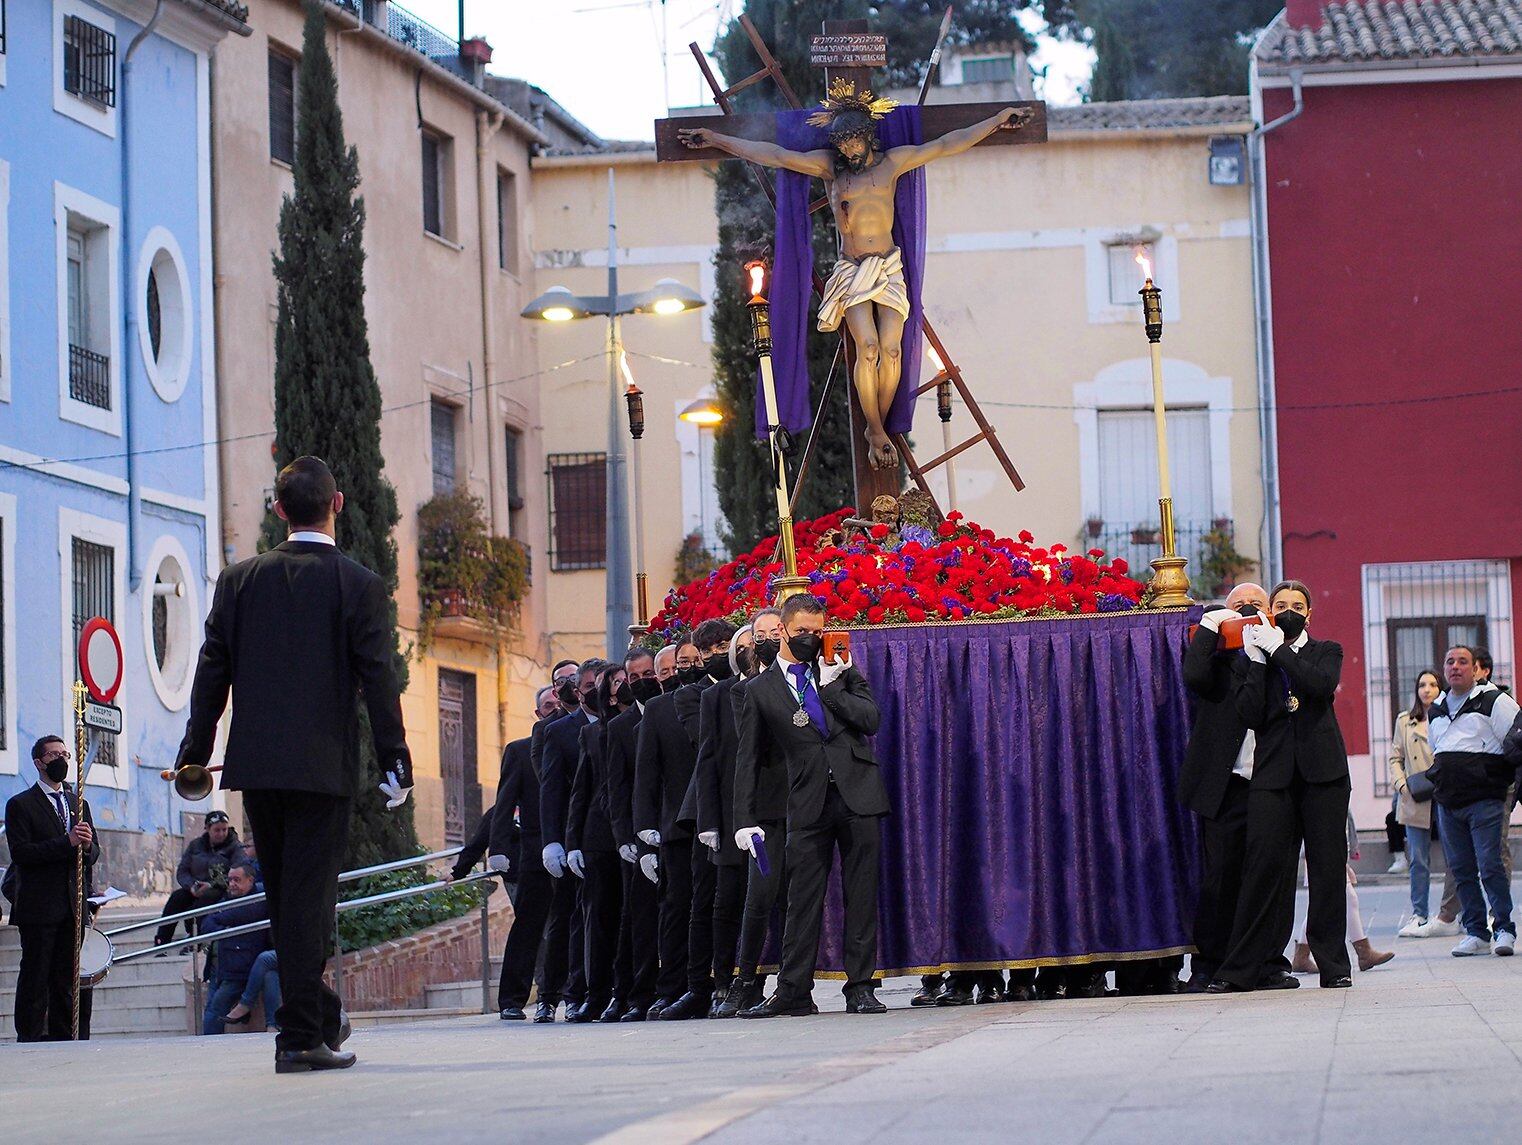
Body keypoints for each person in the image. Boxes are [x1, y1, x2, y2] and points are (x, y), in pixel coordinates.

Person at [174, 456, 414, 1073]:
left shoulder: (238, 580)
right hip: (322, 768)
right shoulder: (359, 584)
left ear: (279, 511)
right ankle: (301, 1037)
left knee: (286, 898)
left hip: (256, 768)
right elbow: (378, 677)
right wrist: (395, 756)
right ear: (337, 505)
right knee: (307, 900)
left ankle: (317, 1018)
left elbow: (211, 670)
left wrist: (195, 753)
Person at [734, 594, 889, 1017]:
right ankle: (794, 991)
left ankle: (860, 987)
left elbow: (870, 720)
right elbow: (748, 759)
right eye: (802, 631)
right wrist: (744, 820)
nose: (811, 639)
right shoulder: (759, 690)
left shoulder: (841, 667)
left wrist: (829, 685)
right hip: (806, 800)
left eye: (818, 631)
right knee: (801, 900)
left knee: (860, 896)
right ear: (781, 630)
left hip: (858, 793)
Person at [1208, 579, 1353, 992]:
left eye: (1297, 605)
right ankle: (1242, 969)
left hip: (1323, 774)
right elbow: (1250, 713)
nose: (1289, 610)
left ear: (1309, 613)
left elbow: (1317, 686)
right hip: (1273, 775)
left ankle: (1334, 965)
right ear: (1270, 610)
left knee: (1326, 870)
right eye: (1281, 603)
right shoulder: (1254, 656)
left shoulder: (1327, 651)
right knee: (1264, 869)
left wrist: (1277, 650)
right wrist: (1256, 660)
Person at [1178, 582, 1289, 992]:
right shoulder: (1218, 663)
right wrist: (1210, 624)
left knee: (1269, 879)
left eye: (1255, 604)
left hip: (1272, 782)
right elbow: (1193, 674)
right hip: (1226, 786)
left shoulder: (1280, 655)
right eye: (1237, 604)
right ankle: (1209, 963)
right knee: (1220, 878)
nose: (1246, 609)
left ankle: (1269, 963)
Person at [661, 618, 738, 1021]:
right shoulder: (691, 696)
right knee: (704, 900)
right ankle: (699, 986)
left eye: (722, 646)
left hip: (743, 800)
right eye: (708, 651)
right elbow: (703, 739)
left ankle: (742, 981)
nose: (715, 655)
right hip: (708, 807)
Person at [1427, 644, 1521, 956]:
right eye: (1449, 661)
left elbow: (1517, 740)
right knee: (1461, 868)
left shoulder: (1495, 701)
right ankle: (1476, 932)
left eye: (1463, 662)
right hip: (1449, 803)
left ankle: (1504, 929)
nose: (1455, 667)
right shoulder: (1437, 707)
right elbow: (1438, 749)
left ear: (1477, 669)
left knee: (1490, 864)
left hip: (1486, 800)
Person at [6, 735, 101, 1041]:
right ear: (39, 763)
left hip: (72, 906)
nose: (61, 760)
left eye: (65, 754)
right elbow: (22, 854)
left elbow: (93, 853)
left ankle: (63, 1038)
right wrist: (67, 842)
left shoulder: (78, 803)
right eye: (54, 755)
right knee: (36, 976)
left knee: (66, 978)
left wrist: (85, 846)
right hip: (39, 907)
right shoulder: (20, 805)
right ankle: (30, 1037)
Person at [633, 638, 704, 1017]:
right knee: (676, 909)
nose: (681, 672)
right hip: (675, 827)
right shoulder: (658, 710)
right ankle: (671, 986)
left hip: (716, 821)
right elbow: (646, 773)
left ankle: (716, 983)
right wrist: (645, 831)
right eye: (676, 665)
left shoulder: (717, 695)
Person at [726, 608, 790, 1016]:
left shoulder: (808, 680)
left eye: (773, 631)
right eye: (758, 633)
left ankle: (790, 984)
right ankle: (745, 979)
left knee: (794, 899)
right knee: (760, 896)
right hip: (767, 811)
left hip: (805, 802)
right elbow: (750, 752)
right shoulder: (745, 690)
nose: (765, 638)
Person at [691, 624, 756, 1018]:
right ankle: (723, 983)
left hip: (772, 811)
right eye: (745, 645)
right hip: (731, 814)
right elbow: (709, 759)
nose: (752, 649)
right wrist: (709, 820)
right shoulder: (717, 695)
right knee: (726, 902)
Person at [537, 659, 604, 1021]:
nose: (596, 692)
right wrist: (553, 841)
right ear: (577, 692)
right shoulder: (560, 731)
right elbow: (550, 790)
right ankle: (555, 994)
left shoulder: (618, 722)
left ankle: (595, 988)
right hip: (570, 839)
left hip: (606, 836)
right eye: (588, 686)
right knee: (567, 917)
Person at [566, 664, 629, 1023]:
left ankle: (628, 993)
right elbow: (581, 791)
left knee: (630, 920)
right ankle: (597, 994)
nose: (619, 688)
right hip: (598, 838)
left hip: (633, 834)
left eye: (624, 681)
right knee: (598, 920)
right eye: (614, 683)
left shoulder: (640, 723)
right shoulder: (592, 735)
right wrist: (572, 841)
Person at [605, 648, 662, 1022]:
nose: (640, 682)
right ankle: (637, 995)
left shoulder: (675, 710)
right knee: (639, 921)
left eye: (647, 675)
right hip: (638, 839)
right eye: (633, 677)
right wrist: (625, 837)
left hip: (675, 828)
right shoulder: (619, 728)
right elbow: (617, 787)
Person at [485, 727, 547, 1021]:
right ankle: (511, 999)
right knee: (528, 927)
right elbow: (503, 803)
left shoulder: (585, 734)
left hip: (578, 847)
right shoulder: (519, 751)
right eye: (547, 703)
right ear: (537, 713)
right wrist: (497, 848)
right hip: (534, 853)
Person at [1290, 814, 1393, 975]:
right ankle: (1363, 952)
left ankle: (1302, 955)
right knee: (1346, 897)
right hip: (1320, 846)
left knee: (1324, 902)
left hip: (1324, 846)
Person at [1388, 670, 1442, 935]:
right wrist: (1401, 786)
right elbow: (1394, 758)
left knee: (1459, 859)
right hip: (1415, 795)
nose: (1427, 689)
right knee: (1418, 860)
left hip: (1446, 793)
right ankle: (1419, 914)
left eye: (1433, 684)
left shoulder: (1448, 716)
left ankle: (1463, 914)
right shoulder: (1405, 721)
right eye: (1422, 684)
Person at [202, 862, 280, 1034]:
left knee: (215, 1010)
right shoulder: (229, 899)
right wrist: (223, 930)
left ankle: (206, 1047)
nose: (232, 884)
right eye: (230, 880)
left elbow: (238, 913)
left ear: (250, 880)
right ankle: (271, 1025)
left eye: (237, 880)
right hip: (220, 967)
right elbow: (206, 923)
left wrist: (221, 920)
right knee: (211, 1009)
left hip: (239, 969)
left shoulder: (257, 901)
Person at [154, 810, 246, 948]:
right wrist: (191, 885)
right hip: (195, 887)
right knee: (177, 898)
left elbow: (238, 871)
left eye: (224, 830)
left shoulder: (235, 847)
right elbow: (183, 870)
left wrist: (211, 884)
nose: (221, 834)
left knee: (206, 900)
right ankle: (162, 941)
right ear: (207, 829)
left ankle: (195, 939)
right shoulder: (196, 845)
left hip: (221, 889)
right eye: (217, 830)